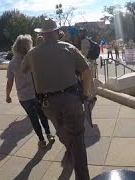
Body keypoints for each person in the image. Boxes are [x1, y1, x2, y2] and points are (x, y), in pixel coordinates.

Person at [21, 18, 91, 180]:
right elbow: (86, 71)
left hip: (48, 103)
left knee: (61, 132)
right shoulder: (69, 48)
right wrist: (86, 93)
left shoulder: (32, 53)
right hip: (71, 99)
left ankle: (70, 147)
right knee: (78, 140)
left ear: (43, 34)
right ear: (57, 32)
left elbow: (23, 69)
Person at [6, 34, 54, 148]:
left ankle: (41, 140)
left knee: (33, 118)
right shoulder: (33, 57)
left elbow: (10, 82)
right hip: (36, 92)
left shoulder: (12, 63)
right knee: (42, 115)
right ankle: (49, 134)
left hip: (23, 96)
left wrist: (7, 95)